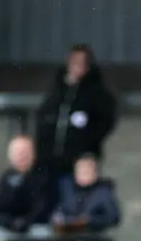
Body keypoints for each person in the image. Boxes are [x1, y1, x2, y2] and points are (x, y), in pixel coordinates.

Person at [35, 44, 117, 179]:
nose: (76, 67)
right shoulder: (57, 91)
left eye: (81, 63)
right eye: (73, 62)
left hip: (78, 164)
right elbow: (43, 116)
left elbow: (106, 120)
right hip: (50, 162)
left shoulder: (96, 93)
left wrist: (87, 142)